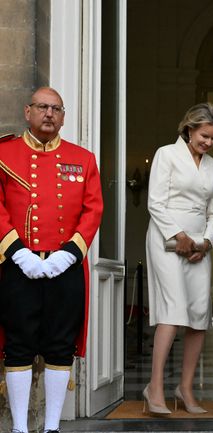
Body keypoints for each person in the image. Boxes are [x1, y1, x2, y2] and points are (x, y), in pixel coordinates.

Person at [0, 87, 104, 433]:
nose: (49, 114)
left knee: (61, 344)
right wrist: (17, 252)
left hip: (65, 267)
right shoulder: (5, 153)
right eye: (42, 107)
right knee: (18, 344)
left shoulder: (84, 159)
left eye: (56, 108)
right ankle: (18, 427)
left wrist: (69, 254)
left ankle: (52, 427)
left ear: (63, 116)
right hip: (18, 266)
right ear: (28, 111)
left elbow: (93, 210)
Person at [143, 102, 213, 415]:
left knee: (198, 315)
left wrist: (205, 242)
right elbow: (155, 202)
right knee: (173, 311)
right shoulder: (167, 154)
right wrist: (178, 237)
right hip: (167, 240)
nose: (208, 142)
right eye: (205, 135)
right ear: (190, 128)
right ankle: (154, 388)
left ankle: (185, 387)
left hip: (199, 246)